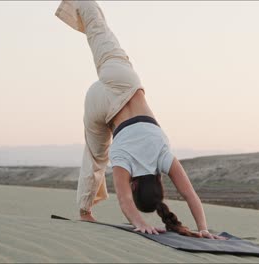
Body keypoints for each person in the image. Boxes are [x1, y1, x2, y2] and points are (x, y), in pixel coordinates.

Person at [55, 0, 225, 239]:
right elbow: (124, 200)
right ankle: (85, 210)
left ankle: (82, 4)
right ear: (135, 185)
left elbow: (190, 195)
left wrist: (204, 227)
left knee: (99, 31)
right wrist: (139, 222)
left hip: (123, 82)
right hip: (99, 106)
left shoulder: (163, 155)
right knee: (96, 158)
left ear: (159, 180)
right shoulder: (124, 160)